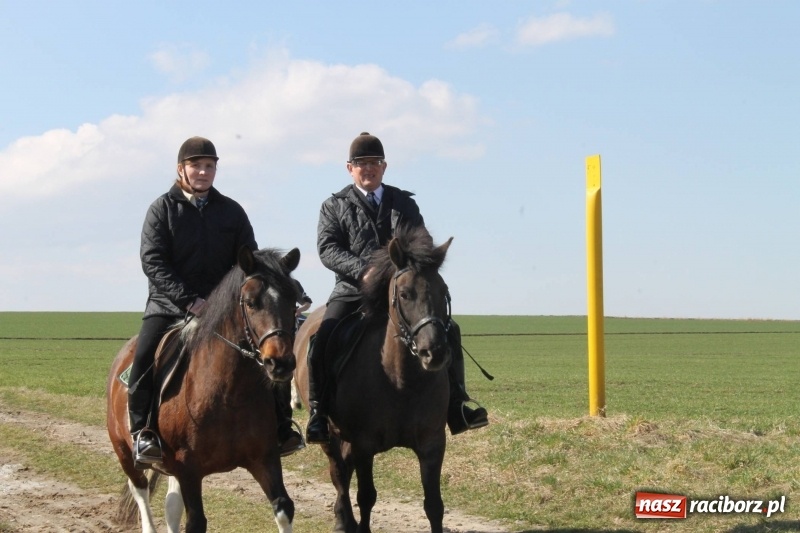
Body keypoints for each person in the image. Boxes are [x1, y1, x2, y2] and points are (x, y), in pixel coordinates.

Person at [128, 136, 303, 467]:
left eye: (210, 166)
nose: (203, 172)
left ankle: (281, 428)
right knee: (143, 359)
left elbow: (252, 262)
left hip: (224, 310)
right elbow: (153, 262)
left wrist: (285, 286)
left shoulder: (232, 212)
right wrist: (189, 301)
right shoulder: (161, 210)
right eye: (196, 165)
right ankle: (143, 433)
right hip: (169, 307)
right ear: (181, 169)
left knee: (272, 354)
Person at [305, 132, 489, 444]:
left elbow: (422, 241)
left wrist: (405, 267)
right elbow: (328, 249)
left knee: (448, 328)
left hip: (403, 290)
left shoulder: (403, 203)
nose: (368, 169)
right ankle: (318, 414)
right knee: (322, 337)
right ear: (349, 168)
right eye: (361, 164)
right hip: (354, 289)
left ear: (385, 166)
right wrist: (363, 270)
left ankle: (457, 406)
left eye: (374, 163)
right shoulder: (333, 206)